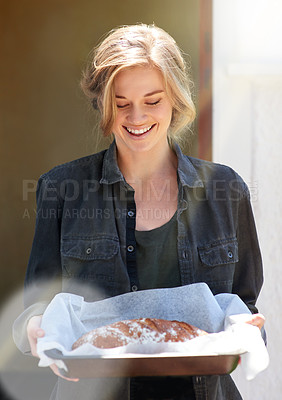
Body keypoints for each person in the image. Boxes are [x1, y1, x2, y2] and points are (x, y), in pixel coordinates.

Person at [13, 24, 265, 400]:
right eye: (121, 103)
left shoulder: (225, 190)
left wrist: (248, 329)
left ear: (175, 100)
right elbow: (38, 305)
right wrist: (34, 329)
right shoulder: (61, 189)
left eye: (153, 100)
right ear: (102, 104)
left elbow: (242, 306)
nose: (136, 117)